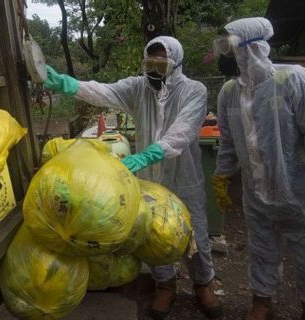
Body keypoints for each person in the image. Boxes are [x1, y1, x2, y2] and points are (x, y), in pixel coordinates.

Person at [44, 36, 223, 320]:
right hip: (150, 177)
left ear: (175, 62)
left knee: (193, 231)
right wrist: (67, 84)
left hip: (183, 176)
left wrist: (147, 155)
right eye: (149, 62)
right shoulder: (137, 87)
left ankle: (204, 283)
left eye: (161, 62)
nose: (154, 68)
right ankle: (165, 285)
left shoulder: (194, 90)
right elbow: (101, 92)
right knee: (150, 230)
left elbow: (183, 130)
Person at [211, 17, 305, 320]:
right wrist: (221, 175)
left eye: (228, 45)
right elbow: (229, 143)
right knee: (261, 250)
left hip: (303, 196)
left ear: (252, 47)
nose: (224, 53)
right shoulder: (229, 92)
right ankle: (262, 302)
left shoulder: (293, 79)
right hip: (257, 196)